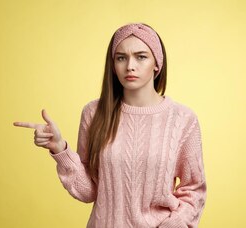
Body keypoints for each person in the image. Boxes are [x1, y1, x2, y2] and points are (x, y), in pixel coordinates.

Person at [14, 23, 206, 228]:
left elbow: (194, 190)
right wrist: (60, 149)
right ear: (113, 65)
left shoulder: (182, 120)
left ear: (157, 63)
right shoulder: (94, 113)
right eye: (121, 57)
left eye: (141, 57)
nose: (130, 66)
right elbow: (88, 191)